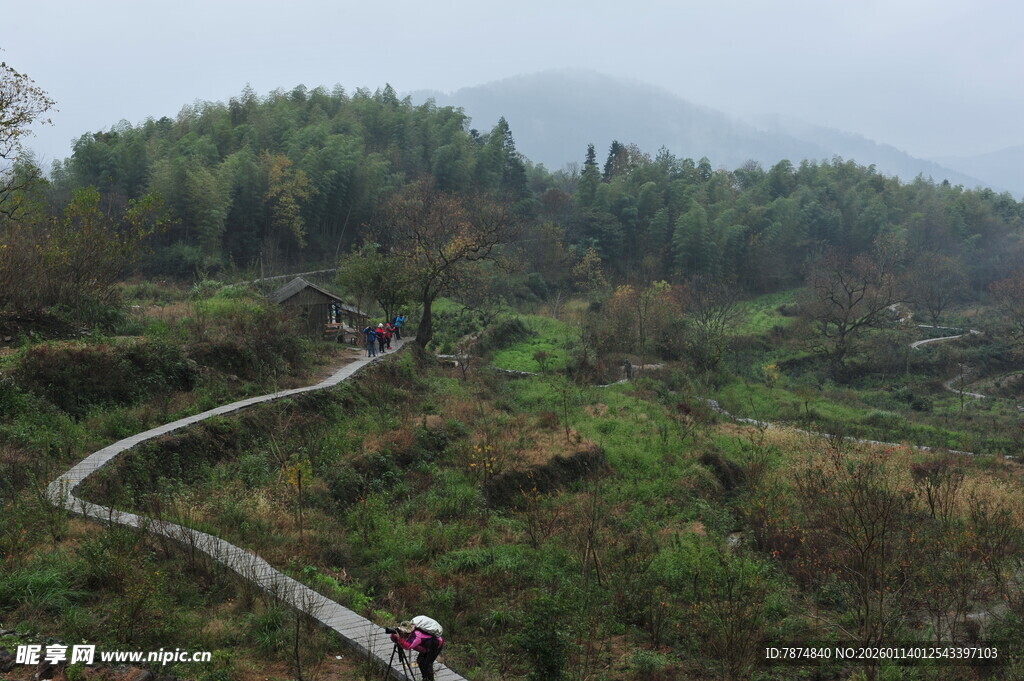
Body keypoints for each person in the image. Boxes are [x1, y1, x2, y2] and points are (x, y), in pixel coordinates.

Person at [386, 616, 444, 681]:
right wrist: (394, 635)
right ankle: (426, 678)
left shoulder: (417, 635)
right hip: (426, 646)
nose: (403, 633)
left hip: (435, 645)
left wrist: (399, 638)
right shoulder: (411, 631)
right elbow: (395, 640)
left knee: (426, 664)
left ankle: (428, 679)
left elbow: (408, 646)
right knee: (420, 661)